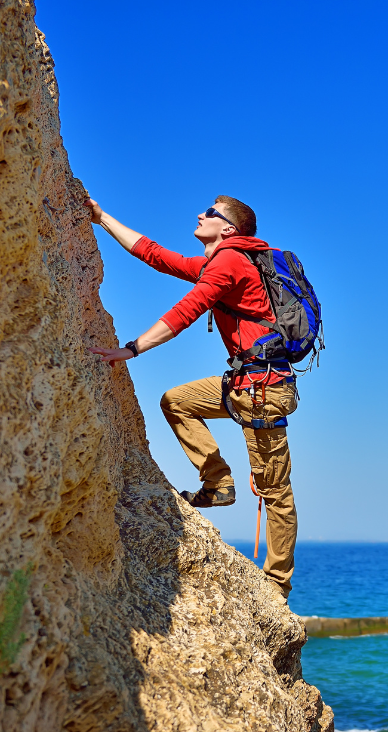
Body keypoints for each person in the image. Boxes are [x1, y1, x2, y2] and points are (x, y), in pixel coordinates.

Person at [86, 195, 300, 599]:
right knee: (176, 401)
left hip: (263, 390)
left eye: (211, 213)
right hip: (243, 384)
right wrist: (102, 218)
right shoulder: (223, 262)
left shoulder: (231, 262)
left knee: (276, 492)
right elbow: (155, 255)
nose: (201, 215)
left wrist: (131, 349)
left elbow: (188, 310)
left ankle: (277, 584)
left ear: (228, 230)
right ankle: (218, 483)